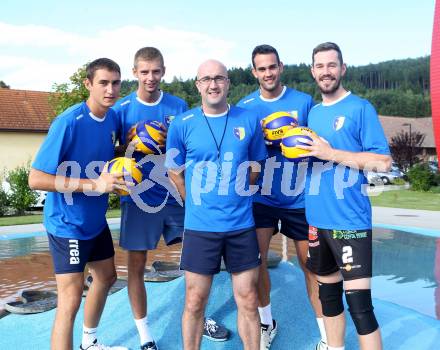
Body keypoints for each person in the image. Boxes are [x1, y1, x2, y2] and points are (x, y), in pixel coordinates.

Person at [112, 47, 229, 350]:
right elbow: (109, 153)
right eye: (144, 72)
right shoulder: (121, 110)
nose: (150, 78)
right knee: (136, 267)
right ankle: (145, 335)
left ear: (164, 71)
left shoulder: (179, 106)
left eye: (156, 71)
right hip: (138, 200)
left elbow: (194, 147)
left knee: (198, 263)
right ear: (135, 72)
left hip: (176, 195)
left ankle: (200, 319)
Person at [165, 59, 267, 350]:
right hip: (200, 227)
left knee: (248, 299)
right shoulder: (182, 124)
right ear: (198, 84)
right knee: (195, 301)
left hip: (241, 226)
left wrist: (240, 195)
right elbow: (175, 172)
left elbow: (257, 166)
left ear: (228, 83)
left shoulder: (248, 120)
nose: (213, 84)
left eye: (219, 78)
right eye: (206, 79)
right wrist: (194, 203)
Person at [28, 58, 127, 350]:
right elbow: (36, 179)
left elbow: (108, 152)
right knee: (69, 301)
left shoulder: (112, 118)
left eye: (116, 82)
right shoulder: (69, 122)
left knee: (107, 277)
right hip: (67, 223)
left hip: (95, 221)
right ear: (88, 84)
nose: (110, 89)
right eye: (103, 83)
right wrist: (94, 185)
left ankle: (89, 342)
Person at [300, 42, 391, 350]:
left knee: (361, 308)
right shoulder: (311, 114)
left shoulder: (360, 108)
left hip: (349, 221)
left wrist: (331, 153)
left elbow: (383, 162)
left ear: (342, 68)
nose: (326, 71)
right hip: (316, 221)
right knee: (328, 300)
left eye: (332, 65)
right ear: (313, 72)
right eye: (320, 66)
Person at [237, 44, 326, 350]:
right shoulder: (245, 107)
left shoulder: (303, 102)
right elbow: (241, 153)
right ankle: (266, 323)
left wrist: (297, 139)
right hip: (261, 197)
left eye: (272, 66)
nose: (268, 73)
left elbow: (319, 144)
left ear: (281, 67)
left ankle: (326, 336)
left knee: (311, 266)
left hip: (299, 197)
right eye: (261, 68)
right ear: (254, 72)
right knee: (257, 262)